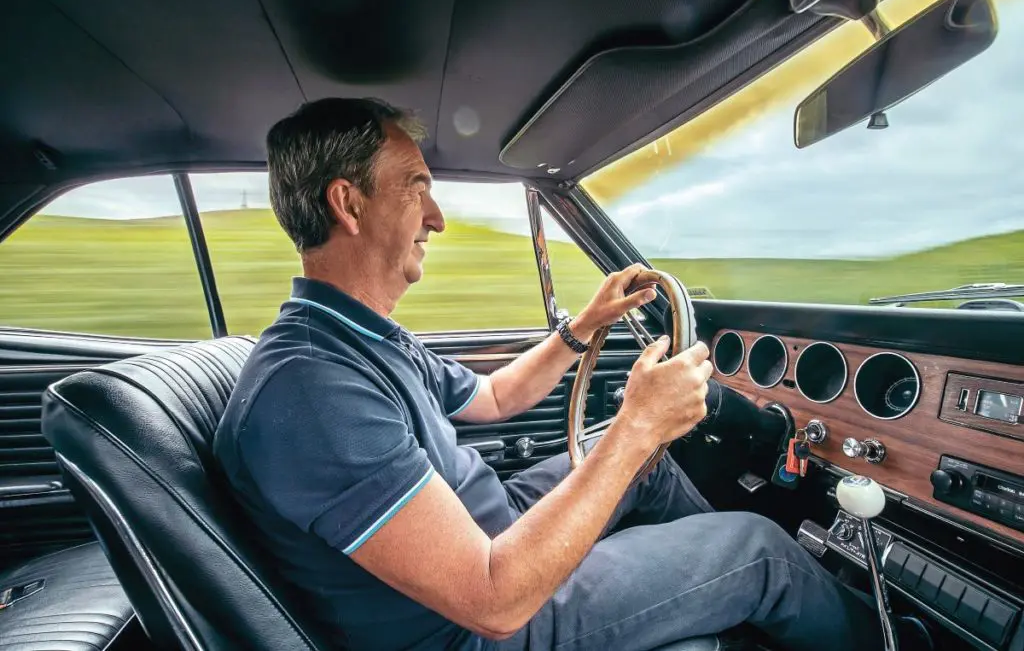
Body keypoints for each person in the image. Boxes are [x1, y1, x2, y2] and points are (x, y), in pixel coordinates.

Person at [212, 98, 884, 651]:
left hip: (489, 532)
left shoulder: (354, 337)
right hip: (480, 624)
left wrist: (583, 326)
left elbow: (498, 395)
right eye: (418, 188)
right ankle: (879, 633)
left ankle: (727, 606)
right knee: (756, 547)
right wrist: (636, 424)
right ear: (348, 204)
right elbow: (494, 599)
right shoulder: (311, 389)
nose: (437, 219)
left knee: (648, 462)